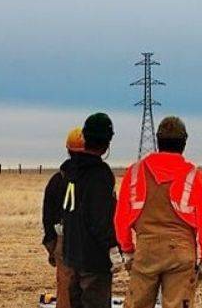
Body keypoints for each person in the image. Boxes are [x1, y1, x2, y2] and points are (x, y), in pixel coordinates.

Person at [115, 116, 202, 308]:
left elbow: (121, 217)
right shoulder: (195, 176)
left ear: (158, 140)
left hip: (146, 252)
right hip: (181, 255)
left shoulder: (135, 172)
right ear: (184, 142)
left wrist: (127, 250)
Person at [61, 113, 123, 308]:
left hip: (72, 256)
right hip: (94, 260)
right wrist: (112, 247)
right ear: (107, 142)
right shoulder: (100, 174)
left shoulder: (70, 170)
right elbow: (100, 218)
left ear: (85, 137)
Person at [42, 127, 86, 308]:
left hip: (64, 241)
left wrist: (52, 246)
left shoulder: (57, 180)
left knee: (65, 293)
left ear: (68, 149)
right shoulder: (98, 179)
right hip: (92, 242)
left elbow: (48, 217)